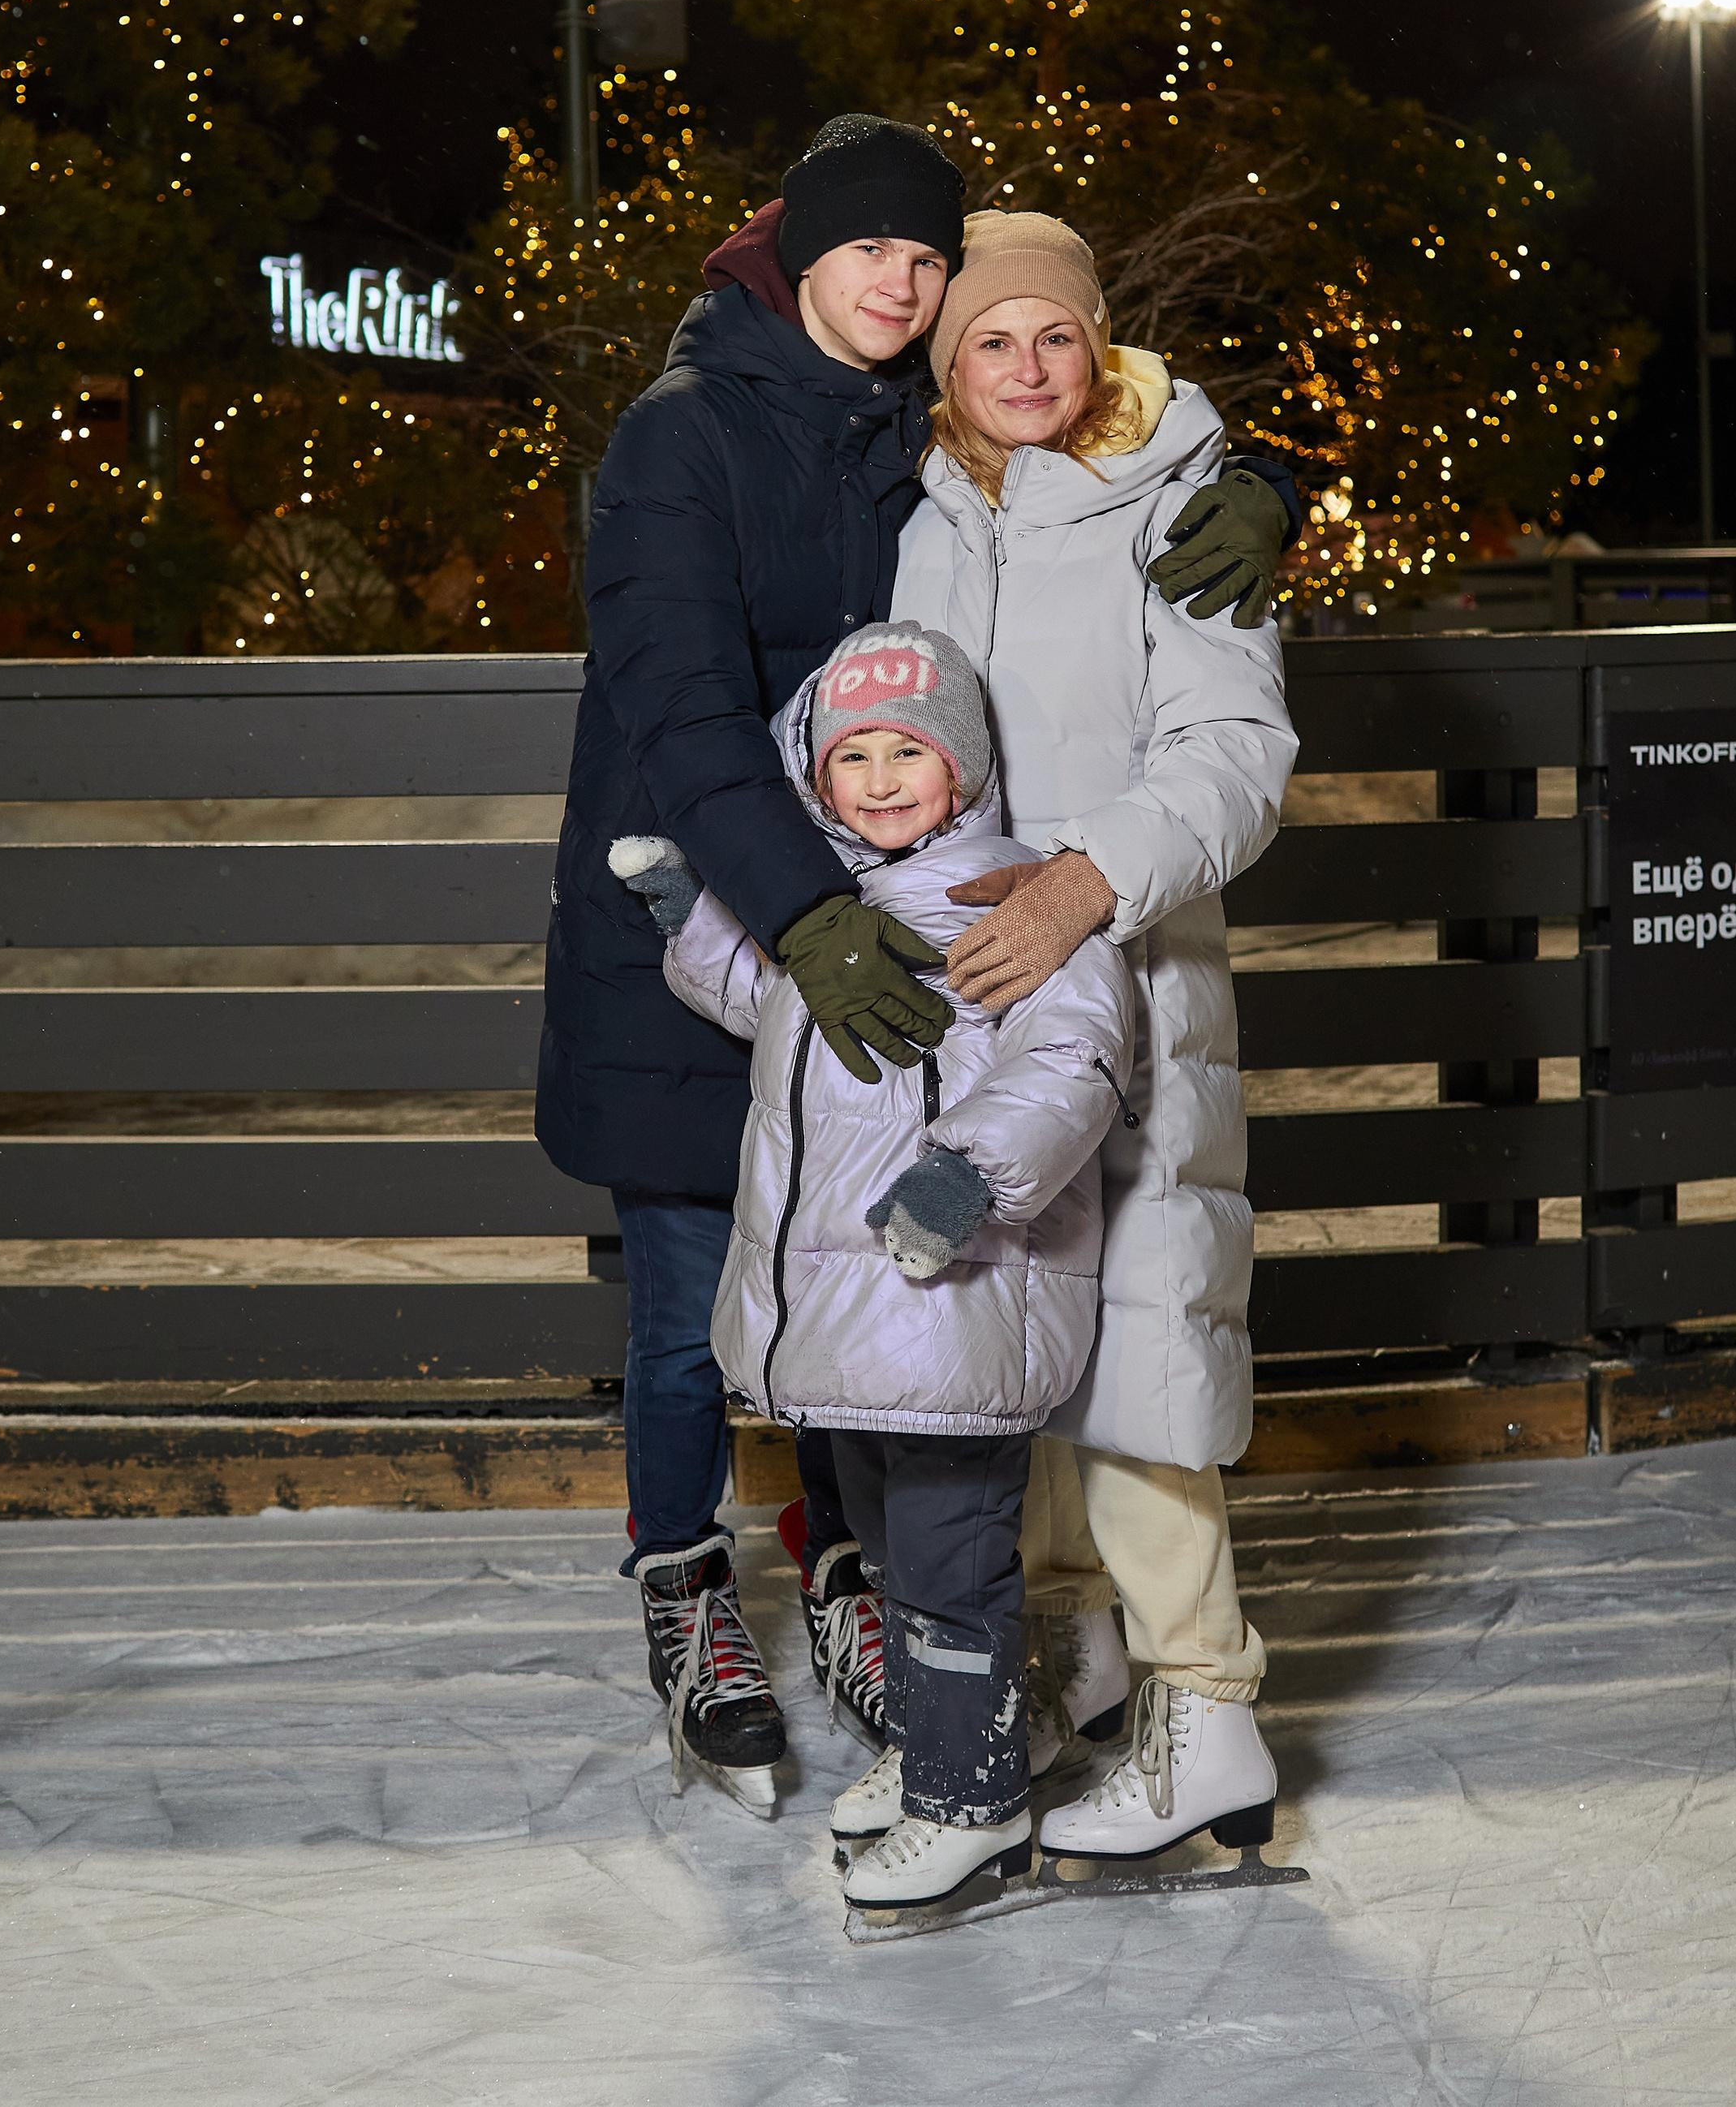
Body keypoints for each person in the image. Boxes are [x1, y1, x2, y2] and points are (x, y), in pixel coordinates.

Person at [535, 116, 1297, 1799]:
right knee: (693, 1314)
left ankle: (856, 1581)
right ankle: (686, 1588)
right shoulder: (682, 442)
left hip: (898, 943)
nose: (901, 281)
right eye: (868, 251)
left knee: (889, 1283)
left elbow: (1085, 415)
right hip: (716, 922)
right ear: (791, 251)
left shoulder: (910, 430)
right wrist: (794, 922)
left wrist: (1257, 472)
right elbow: (681, 712)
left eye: (922, 255)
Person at [890, 209, 1299, 1863]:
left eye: (1055, 335)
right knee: (1019, 1358)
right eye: (991, 340)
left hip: (1126, 980)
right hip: (977, 1002)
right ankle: (1070, 1659)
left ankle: (1207, 1703)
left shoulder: (1182, 501)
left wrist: (1082, 886)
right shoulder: (925, 514)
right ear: (949, 365)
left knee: (1136, 1347)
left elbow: (1235, 754)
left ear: (1100, 344)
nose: (1026, 367)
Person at [626, 620, 1135, 1907]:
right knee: (904, 1568)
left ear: (960, 766)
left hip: (954, 1310)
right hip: (855, 1330)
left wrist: (970, 1171)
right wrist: (693, 916)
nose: (882, 777)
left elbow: (1073, 1054)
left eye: (910, 749)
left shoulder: (1002, 895)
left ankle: (972, 1804)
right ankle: (941, 1755)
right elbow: (764, 1004)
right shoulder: (834, 911)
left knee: (954, 1569)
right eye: (853, 755)